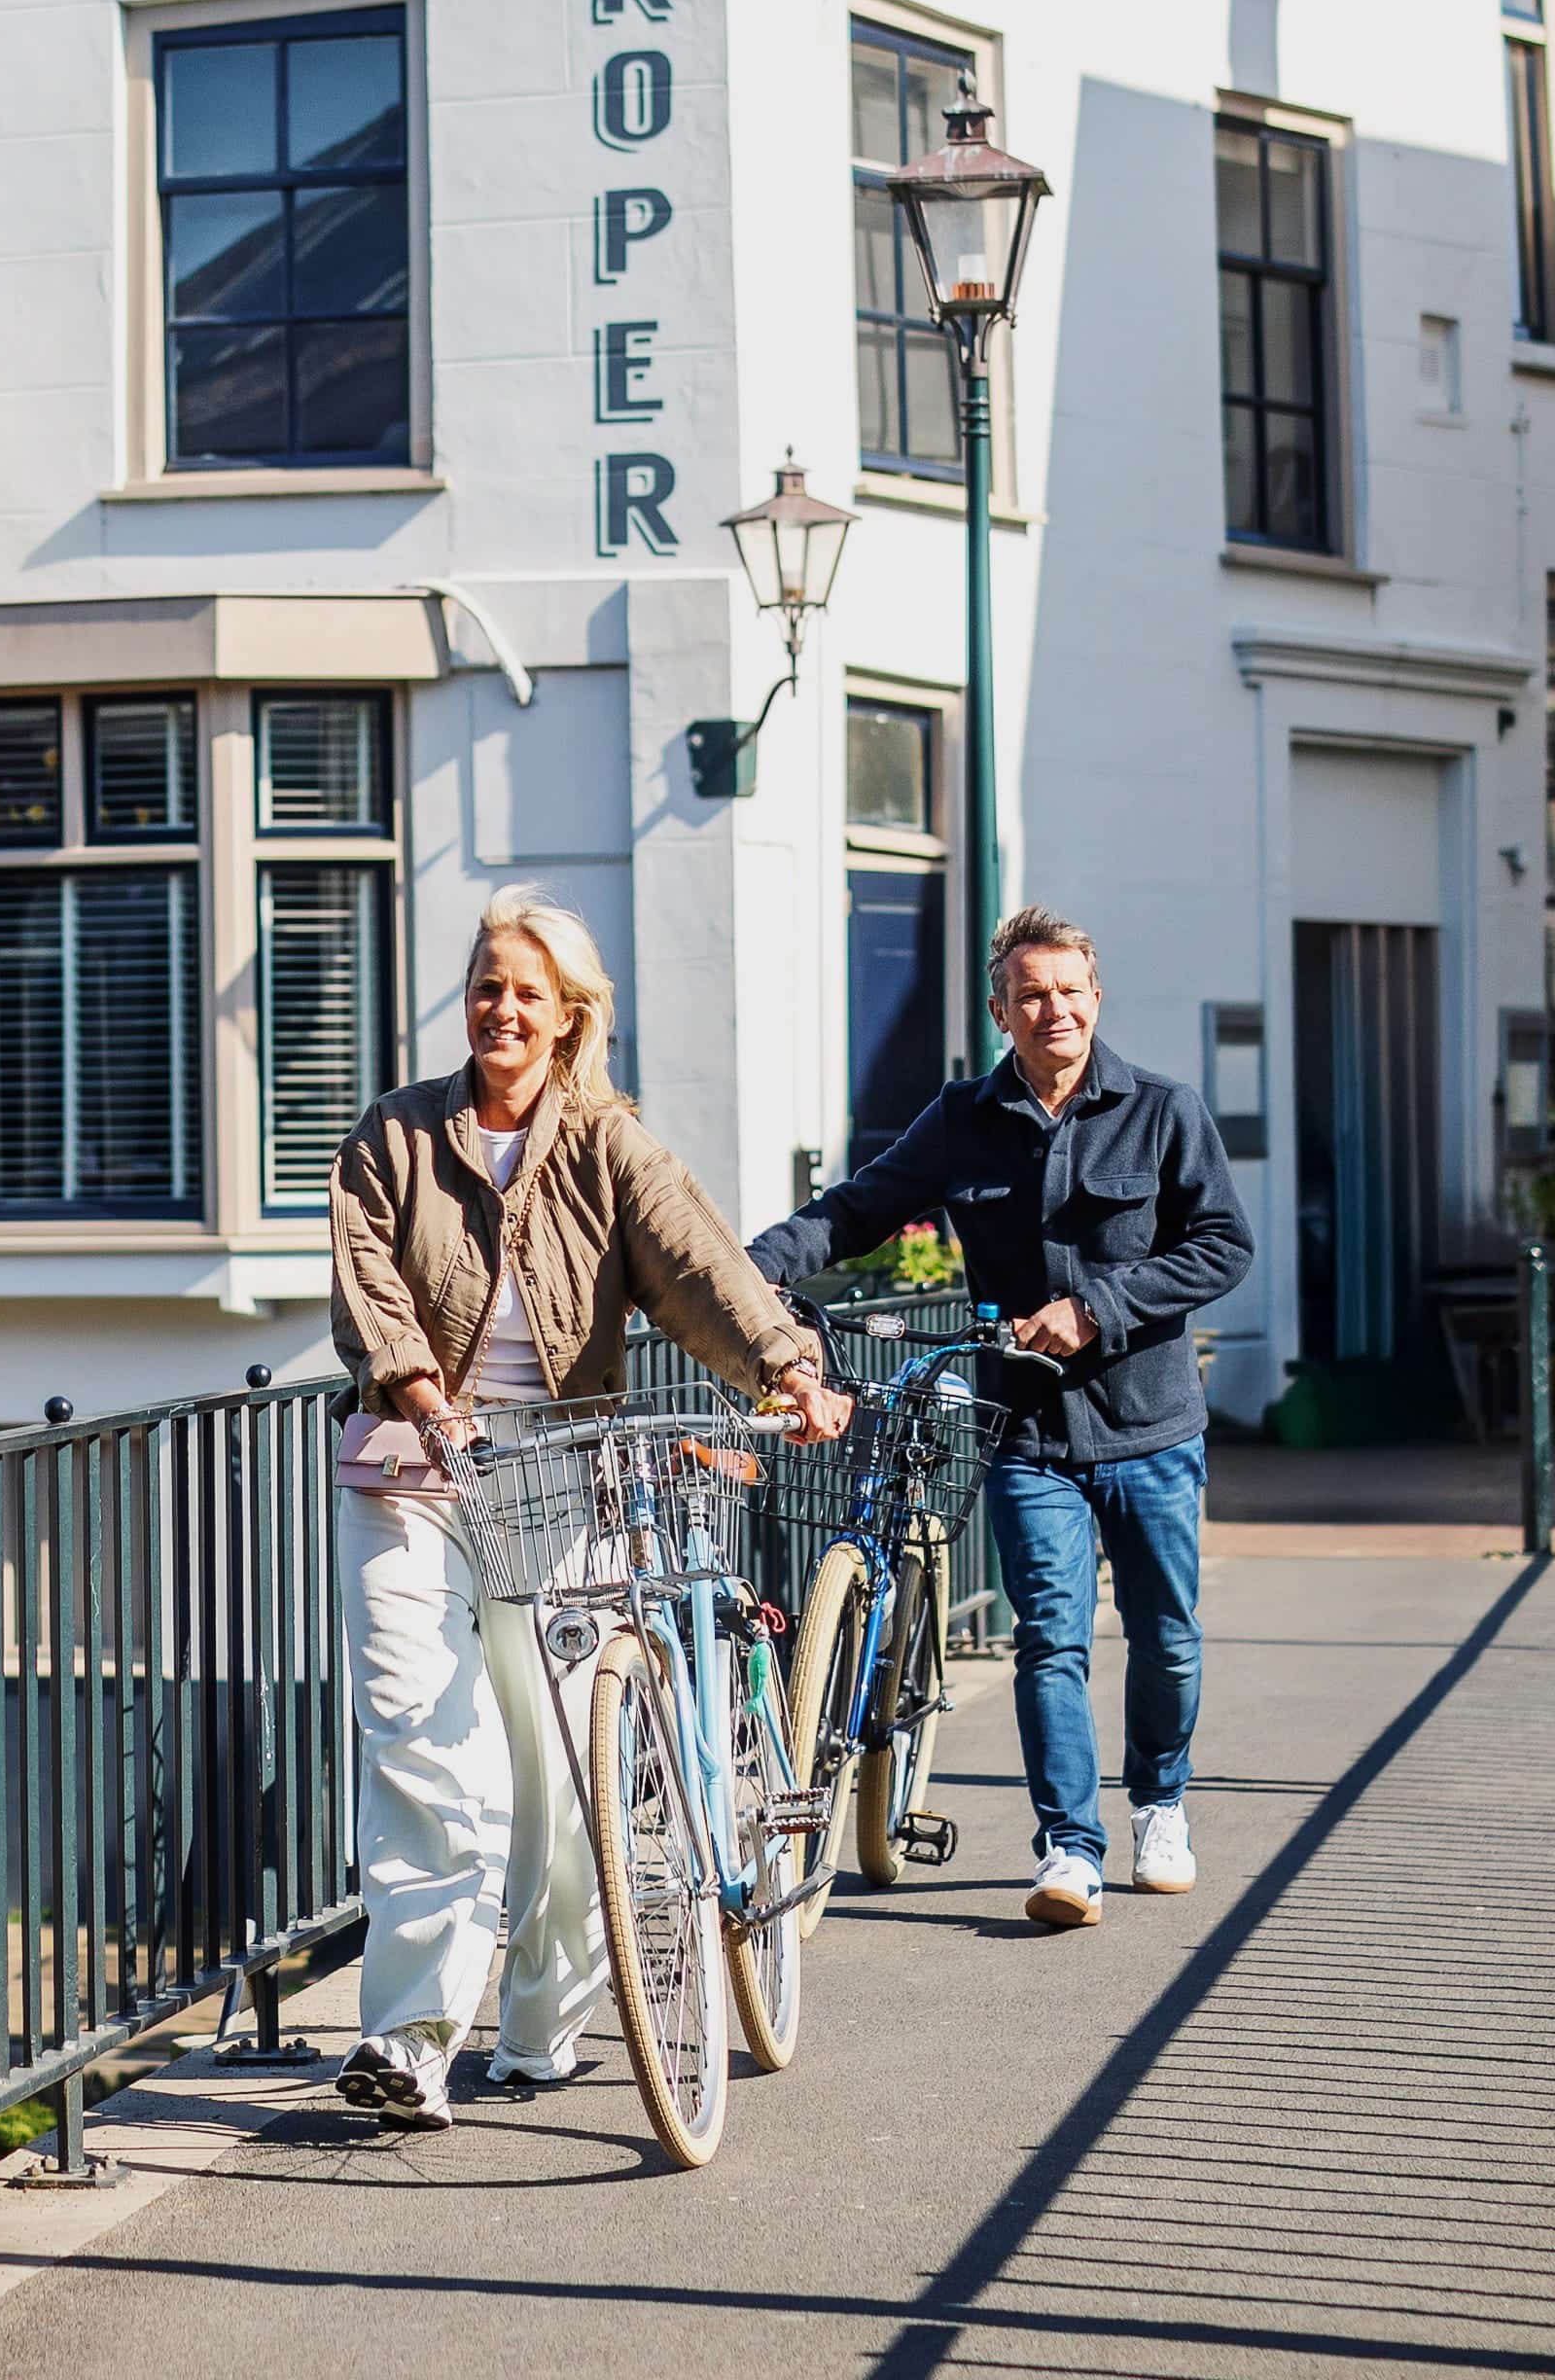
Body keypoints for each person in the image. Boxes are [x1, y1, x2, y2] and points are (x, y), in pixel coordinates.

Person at [321, 883, 845, 2129]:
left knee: (560, 1774)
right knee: (425, 1745)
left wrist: (788, 1367)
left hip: (562, 1473)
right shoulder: (392, 1136)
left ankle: (542, 2025)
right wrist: (418, 1388)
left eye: (527, 993)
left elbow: (701, 1266)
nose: (502, 1008)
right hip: (415, 1467)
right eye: (487, 985)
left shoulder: (611, 1144)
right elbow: (367, 1286)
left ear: (571, 1017)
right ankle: (412, 2036)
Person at [752, 906, 1251, 1929]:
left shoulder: (1163, 1111)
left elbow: (1222, 1247)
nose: (1052, 1008)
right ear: (1001, 1010)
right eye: (1032, 994)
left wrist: (1098, 1308)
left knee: (1168, 1639)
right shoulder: (963, 1117)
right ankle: (1069, 1846)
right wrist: (737, 1275)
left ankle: (1160, 1801)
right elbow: (853, 1211)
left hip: (1150, 1425)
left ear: (1095, 998)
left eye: (1069, 990)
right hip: (1025, 1431)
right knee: (1051, 1640)